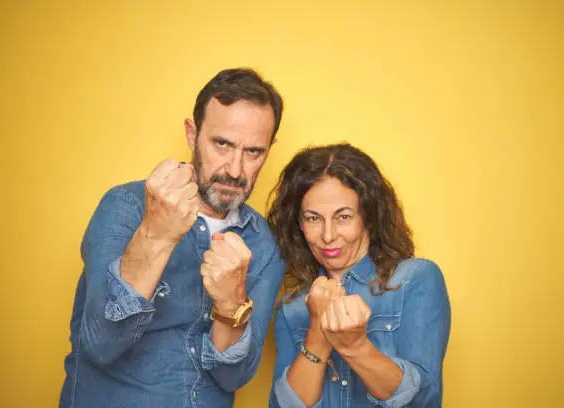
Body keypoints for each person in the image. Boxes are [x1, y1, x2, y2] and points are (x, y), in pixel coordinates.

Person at [60, 68, 286, 408]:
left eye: (253, 152)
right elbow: (100, 345)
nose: (236, 170)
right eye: (222, 144)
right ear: (192, 134)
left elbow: (233, 378)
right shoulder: (125, 207)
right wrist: (156, 236)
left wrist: (230, 306)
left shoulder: (264, 244)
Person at [267, 143, 451, 407]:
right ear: (298, 224)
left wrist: (355, 347)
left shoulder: (416, 280)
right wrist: (317, 335)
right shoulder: (293, 309)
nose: (328, 236)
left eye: (343, 217)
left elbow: (424, 399)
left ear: (368, 215)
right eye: (313, 218)